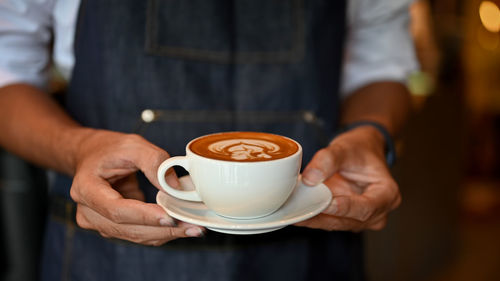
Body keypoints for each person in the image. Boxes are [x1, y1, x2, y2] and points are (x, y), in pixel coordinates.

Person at [0, 0, 417, 280]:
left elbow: (382, 66)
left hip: (313, 252)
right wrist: (77, 148)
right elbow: (8, 69)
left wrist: (371, 133)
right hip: (109, 256)